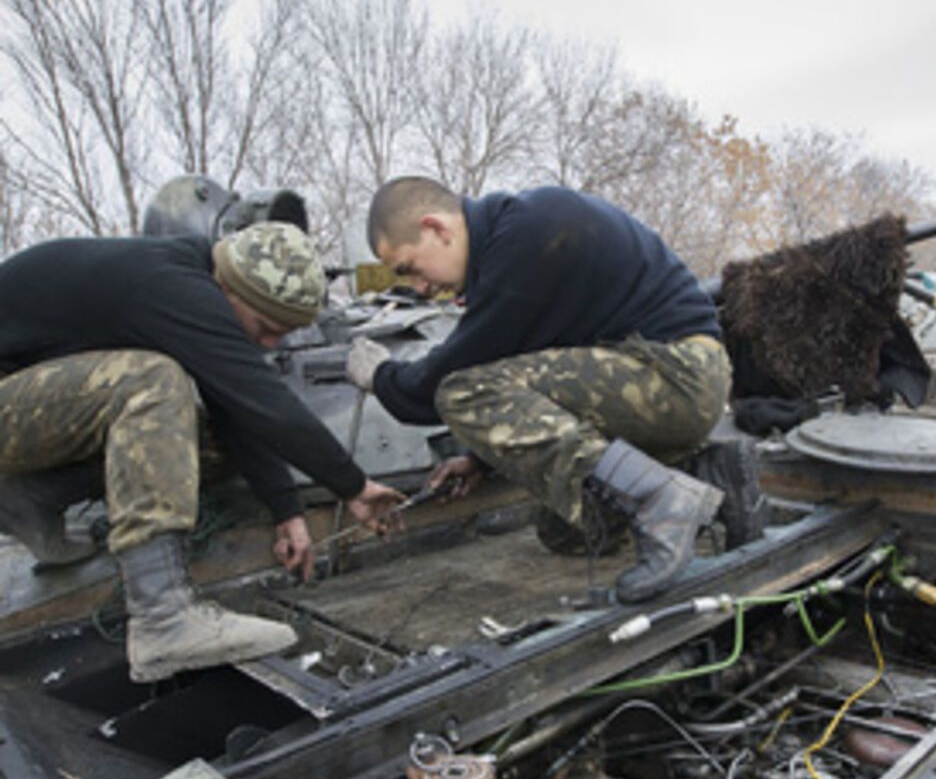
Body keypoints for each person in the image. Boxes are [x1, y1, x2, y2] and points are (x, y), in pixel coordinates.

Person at [0, 222, 405, 682]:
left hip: (21, 406)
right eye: (266, 328)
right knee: (151, 382)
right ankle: (163, 618)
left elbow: (233, 404)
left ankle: (29, 500)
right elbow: (263, 398)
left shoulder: (192, 272)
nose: (270, 345)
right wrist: (353, 484)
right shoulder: (172, 287)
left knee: (200, 438)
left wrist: (285, 509)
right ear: (230, 290)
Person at [347, 177, 734, 604]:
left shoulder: (527, 234)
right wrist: (481, 457)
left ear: (437, 228)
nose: (419, 288)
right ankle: (710, 477)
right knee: (570, 531)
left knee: (460, 392)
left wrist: (380, 375)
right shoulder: (518, 240)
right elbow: (538, 371)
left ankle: (658, 498)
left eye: (410, 268)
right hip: (663, 383)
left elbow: (445, 381)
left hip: (677, 374)